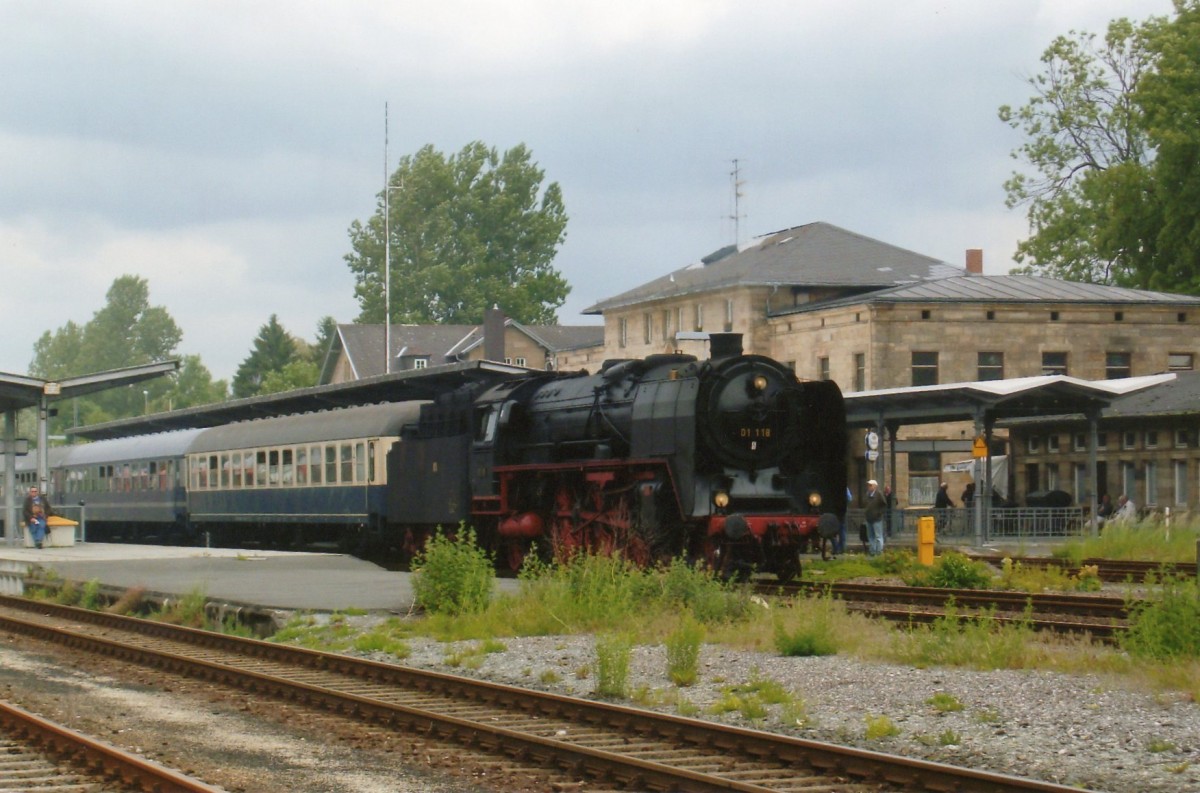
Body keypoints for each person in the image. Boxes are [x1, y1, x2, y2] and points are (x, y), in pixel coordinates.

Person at [863, 479, 888, 556]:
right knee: (870, 536)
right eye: (868, 485)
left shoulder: (879, 494)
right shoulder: (867, 494)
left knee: (878, 536)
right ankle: (872, 551)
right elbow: (865, 504)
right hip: (869, 518)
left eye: (870, 485)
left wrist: (879, 513)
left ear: (875, 486)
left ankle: (879, 551)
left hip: (877, 519)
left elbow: (884, 505)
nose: (869, 487)